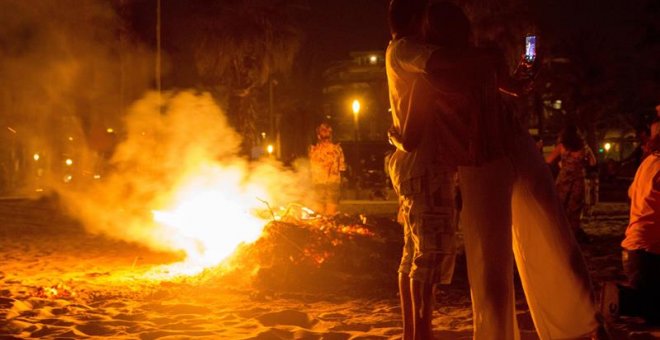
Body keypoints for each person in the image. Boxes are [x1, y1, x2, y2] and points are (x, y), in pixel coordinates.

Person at [387, 1, 609, 339]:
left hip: (495, 154)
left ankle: (583, 326)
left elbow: (516, 84)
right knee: (508, 255)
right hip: (488, 156)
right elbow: (418, 120)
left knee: (531, 244)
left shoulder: (469, 59)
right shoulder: (438, 67)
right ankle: (580, 327)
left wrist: (528, 57)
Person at [385, 1, 458, 338]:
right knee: (428, 256)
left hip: (414, 167)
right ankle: (422, 334)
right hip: (426, 166)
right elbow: (413, 136)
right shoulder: (409, 54)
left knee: (413, 253)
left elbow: (407, 137)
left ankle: (413, 332)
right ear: (417, 20)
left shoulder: (401, 56)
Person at [601, 130, 660, 325]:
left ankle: (619, 298)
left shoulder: (649, 162)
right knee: (653, 309)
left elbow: (630, 192)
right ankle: (618, 299)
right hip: (649, 253)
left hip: (634, 251)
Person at [545, 124, 597, 242]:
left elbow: (548, 160)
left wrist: (561, 165)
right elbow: (593, 162)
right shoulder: (584, 147)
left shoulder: (562, 147)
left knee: (560, 206)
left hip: (563, 179)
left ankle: (558, 233)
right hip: (578, 180)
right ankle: (572, 235)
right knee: (575, 209)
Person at [308, 123, 345, 216]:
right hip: (333, 182)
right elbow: (342, 167)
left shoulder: (313, 150)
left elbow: (311, 167)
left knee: (319, 214)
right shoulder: (337, 149)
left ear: (318, 135)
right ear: (331, 135)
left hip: (318, 182)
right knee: (331, 214)